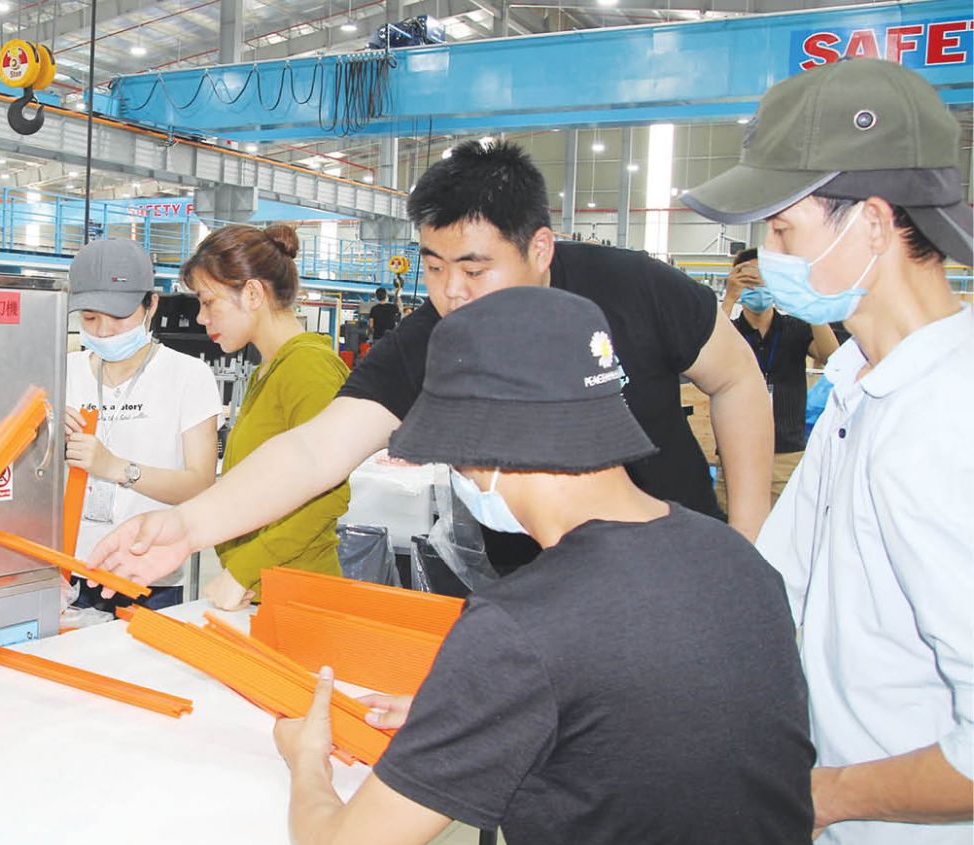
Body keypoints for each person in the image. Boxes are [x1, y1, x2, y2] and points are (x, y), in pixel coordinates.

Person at [272, 286, 814, 845]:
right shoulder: (738, 562)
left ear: (481, 446)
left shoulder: (523, 625)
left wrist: (306, 759)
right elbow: (639, 728)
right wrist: (469, 708)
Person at [88, 140, 773, 593]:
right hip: (538, 586)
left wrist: (748, 542)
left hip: (676, 564)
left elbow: (738, 379)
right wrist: (190, 526)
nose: (452, 293)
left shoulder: (634, 289)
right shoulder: (433, 337)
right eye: (434, 267)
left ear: (538, 247)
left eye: (475, 268)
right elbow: (314, 451)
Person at [683, 57, 973, 845]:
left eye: (783, 231)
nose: (770, 257)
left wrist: (829, 796)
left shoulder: (942, 423)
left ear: (874, 223)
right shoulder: (859, 389)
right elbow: (769, 593)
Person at [182, 224, 350, 611]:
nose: (201, 318)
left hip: (301, 597)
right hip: (266, 592)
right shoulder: (269, 369)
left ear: (253, 293)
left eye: (208, 302)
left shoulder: (308, 368)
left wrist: (243, 571)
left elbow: (329, 496)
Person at [63, 238, 221, 610]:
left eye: (118, 317)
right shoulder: (63, 371)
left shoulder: (187, 376)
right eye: (89, 318)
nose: (103, 331)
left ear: (151, 305)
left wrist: (116, 468)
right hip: (67, 570)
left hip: (149, 575)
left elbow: (200, 485)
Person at [720, 247, 840, 505]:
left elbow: (832, 357)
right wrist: (728, 299)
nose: (757, 284)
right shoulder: (729, 331)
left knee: (786, 525)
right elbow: (711, 353)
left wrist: (809, 303)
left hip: (786, 453)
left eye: (764, 277)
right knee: (732, 524)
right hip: (736, 452)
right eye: (749, 276)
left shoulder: (796, 329)